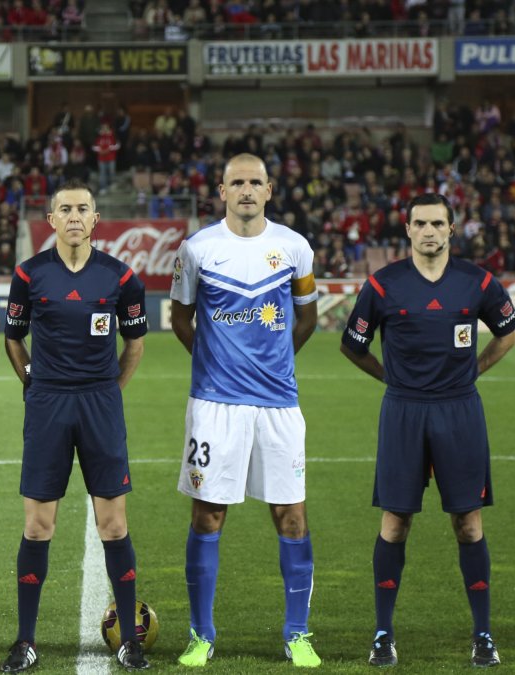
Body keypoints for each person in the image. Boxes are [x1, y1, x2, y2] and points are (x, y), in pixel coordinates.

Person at [340, 193, 515, 668]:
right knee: (395, 524)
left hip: (460, 411)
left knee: (468, 523)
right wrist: (390, 379)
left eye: (438, 223)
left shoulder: (478, 282)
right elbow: (352, 345)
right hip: (403, 412)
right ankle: (382, 634)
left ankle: (483, 635)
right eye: (420, 223)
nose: (430, 232)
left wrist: (474, 371)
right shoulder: (382, 286)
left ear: (452, 228)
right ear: (408, 229)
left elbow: (507, 332)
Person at [169, 154, 322, 668]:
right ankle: (201, 634)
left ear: (270, 189)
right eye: (237, 182)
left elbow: (306, 320)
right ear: (222, 191)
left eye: (256, 182)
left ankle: (297, 633)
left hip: (278, 404)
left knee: (292, 516)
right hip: (214, 406)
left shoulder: (294, 248)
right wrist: (217, 366)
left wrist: (272, 366)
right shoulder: (198, 249)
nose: (247, 190)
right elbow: (180, 318)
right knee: (208, 513)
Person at [0, 180, 150, 672]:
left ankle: (130, 640)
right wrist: (32, 384)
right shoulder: (29, 275)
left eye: (82, 209)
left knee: (114, 524)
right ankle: (25, 641)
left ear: (95, 218)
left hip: (99, 404)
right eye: (64, 209)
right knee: (38, 525)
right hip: (48, 405)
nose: (73, 216)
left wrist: (109, 391)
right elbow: (14, 339)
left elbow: (134, 345)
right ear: (50, 219)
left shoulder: (121, 277)